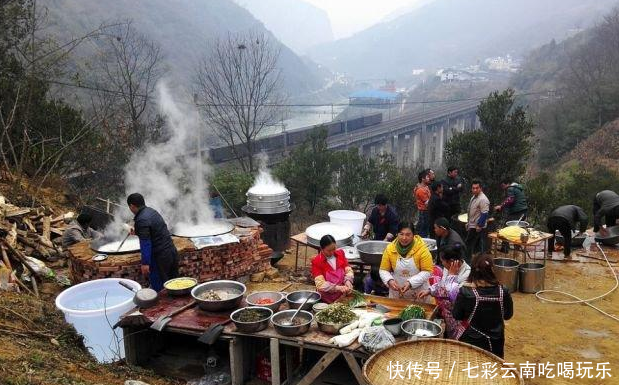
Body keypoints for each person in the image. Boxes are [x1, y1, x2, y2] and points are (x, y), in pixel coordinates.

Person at [452, 255, 513, 358]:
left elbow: (457, 315)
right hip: (495, 343)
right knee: (492, 369)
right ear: (492, 270)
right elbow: (507, 315)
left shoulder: (466, 291)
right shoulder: (503, 291)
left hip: (471, 342)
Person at [128, 193, 179, 292]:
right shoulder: (152, 212)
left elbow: (145, 242)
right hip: (171, 251)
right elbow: (155, 230)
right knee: (174, 283)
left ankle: (162, 306)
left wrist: (145, 263)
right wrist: (138, 231)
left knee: (159, 287)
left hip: (160, 257)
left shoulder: (141, 219)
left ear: (132, 206)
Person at [417, 244, 471, 339]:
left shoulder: (467, 274)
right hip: (448, 317)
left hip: (459, 319)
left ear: (451, 262)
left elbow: (454, 296)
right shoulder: (448, 268)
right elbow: (442, 284)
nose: (442, 264)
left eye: (442, 261)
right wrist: (429, 290)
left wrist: (451, 276)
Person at [379, 222, 433, 301]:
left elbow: (427, 271)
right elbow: (383, 269)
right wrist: (389, 280)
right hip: (397, 293)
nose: (404, 238)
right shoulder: (390, 249)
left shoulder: (422, 249)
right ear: (397, 234)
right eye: (401, 234)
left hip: (419, 294)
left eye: (408, 235)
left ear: (413, 235)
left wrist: (410, 283)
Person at [310, 235, 354, 303]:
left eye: (334, 249)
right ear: (322, 249)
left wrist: (348, 281)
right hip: (327, 298)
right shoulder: (317, 261)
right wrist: (337, 288)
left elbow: (348, 269)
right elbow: (320, 284)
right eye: (329, 250)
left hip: (342, 296)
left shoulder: (340, 254)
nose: (332, 252)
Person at [465, 180, 490, 263]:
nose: (475, 190)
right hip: (472, 225)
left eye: (477, 188)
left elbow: (484, 213)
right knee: (473, 245)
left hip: (478, 227)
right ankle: (473, 261)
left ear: (481, 188)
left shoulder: (483, 199)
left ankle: (473, 262)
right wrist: (468, 223)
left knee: (475, 245)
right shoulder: (474, 197)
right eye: (473, 188)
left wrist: (479, 225)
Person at [414, 170, 432, 238]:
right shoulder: (420, 190)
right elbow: (427, 203)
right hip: (424, 212)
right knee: (423, 230)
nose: (429, 178)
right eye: (427, 177)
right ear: (422, 178)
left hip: (426, 211)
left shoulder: (426, 187)